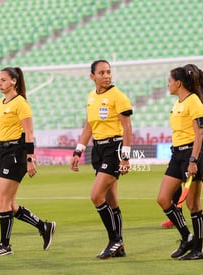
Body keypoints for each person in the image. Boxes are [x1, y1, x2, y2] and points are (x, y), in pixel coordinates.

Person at [0, 66, 56, 257]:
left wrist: (30, 159)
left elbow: (29, 133)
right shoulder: (0, 103)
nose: (0, 83)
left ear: (14, 81)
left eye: (3, 80)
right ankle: (44, 226)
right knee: (8, 203)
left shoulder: (21, 103)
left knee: (3, 200)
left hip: (16, 153)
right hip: (1, 152)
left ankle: (5, 245)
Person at [71, 60, 132, 259]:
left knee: (96, 196)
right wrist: (78, 151)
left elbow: (128, 127)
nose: (106, 76)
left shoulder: (118, 96)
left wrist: (125, 157)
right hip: (98, 149)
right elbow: (89, 126)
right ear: (92, 77)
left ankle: (114, 240)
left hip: (114, 148)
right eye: (102, 72)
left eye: (108, 72)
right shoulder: (91, 97)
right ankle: (119, 246)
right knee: (111, 200)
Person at [160, 64, 203, 228]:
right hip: (184, 146)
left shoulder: (199, 96)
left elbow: (200, 121)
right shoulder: (186, 97)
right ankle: (177, 216)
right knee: (177, 180)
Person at [157, 66, 203, 260]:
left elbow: (199, 133)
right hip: (176, 155)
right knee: (163, 198)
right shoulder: (178, 102)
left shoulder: (193, 101)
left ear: (178, 83)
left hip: (190, 155)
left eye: (169, 81)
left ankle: (199, 249)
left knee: (192, 203)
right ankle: (187, 237)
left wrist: (193, 160)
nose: (168, 84)